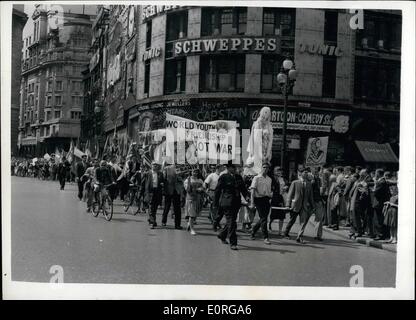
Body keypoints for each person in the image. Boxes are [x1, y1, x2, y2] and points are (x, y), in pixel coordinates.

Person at [214, 162, 248, 250]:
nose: (235, 169)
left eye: (235, 167)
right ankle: (233, 243)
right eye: (233, 167)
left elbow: (243, 189)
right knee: (232, 222)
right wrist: (215, 203)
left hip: (236, 203)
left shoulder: (238, 177)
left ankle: (222, 235)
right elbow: (217, 191)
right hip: (227, 202)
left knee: (231, 221)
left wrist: (247, 197)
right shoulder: (224, 177)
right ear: (228, 168)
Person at [284, 167, 316, 244]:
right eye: (304, 172)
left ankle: (299, 237)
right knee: (292, 220)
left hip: (304, 206)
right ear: (300, 173)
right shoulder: (295, 182)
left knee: (303, 222)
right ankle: (286, 232)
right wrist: (288, 205)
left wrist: (313, 206)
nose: (305, 173)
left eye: (306, 172)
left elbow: (310, 196)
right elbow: (290, 194)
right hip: (295, 205)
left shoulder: (309, 184)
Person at [249, 162, 273, 244]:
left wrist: (270, 196)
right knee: (264, 219)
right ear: (261, 168)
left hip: (266, 199)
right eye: (264, 167)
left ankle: (253, 230)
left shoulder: (269, 179)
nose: (265, 169)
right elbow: (252, 191)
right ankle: (265, 237)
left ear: (269, 169)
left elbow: (269, 191)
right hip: (258, 199)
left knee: (264, 218)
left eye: (267, 167)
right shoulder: (256, 178)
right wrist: (252, 203)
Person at [141, 161, 164, 229]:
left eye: (156, 165)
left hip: (157, 192)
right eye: (153, 165)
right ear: (151, 166)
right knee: (151, 207)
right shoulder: (147, 173)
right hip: (150, 192)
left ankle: (152, 219)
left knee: (155, 207)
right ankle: (152, 222)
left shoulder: (160, 173)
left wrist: (162, 184)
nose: (155, 166)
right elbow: (143, 183)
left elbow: (163, 181)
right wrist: (141, 192)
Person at [162, 164, 185, 229]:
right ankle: (164, 220)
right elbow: (164, 179)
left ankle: (177, 224)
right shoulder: (167, 168)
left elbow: (184, 179)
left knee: (177, 208)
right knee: (167, 206)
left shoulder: (182, 168)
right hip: (169, 190)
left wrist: (181, 179)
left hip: (177, 190)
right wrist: (164, 189)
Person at [371, 169, 391, 240]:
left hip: (379, 203)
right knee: (377, 219)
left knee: (378, 219)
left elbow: (376, 192)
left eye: (376, 173)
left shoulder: (381, 182)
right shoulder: (381, 181)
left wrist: (373, 190)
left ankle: (380, 234)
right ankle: (378, 233)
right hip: (378, 202)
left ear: (378, 174)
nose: (375, 175)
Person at [183, 169, 204, 235]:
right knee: (192, 215)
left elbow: (203, 188)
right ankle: (192, 229)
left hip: (198, 199)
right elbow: (187, 189)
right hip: (191, 199)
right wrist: (196, 189)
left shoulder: (200, 180)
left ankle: (190, 223)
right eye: (193, 172)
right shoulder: (187, 180)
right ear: (191, 172)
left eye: (196, 172)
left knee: (195, 214)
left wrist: (202, 189)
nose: (195, 173)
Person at [269, 166, 288, 236]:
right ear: (274, 172)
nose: (279, 172)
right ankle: (269, 225)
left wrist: (286, 187)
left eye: (280, 170)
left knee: (282, 216)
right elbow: (271, 188)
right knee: (273, 215)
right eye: (277, 170)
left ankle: (280, 231)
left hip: (282, 199)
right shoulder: (272, 179)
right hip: (274, 198)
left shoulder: (284, 179)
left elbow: (287, 186)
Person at [311, 168, 325, 241]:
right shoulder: (312, 181)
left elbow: (321, 191)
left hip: (318, 201)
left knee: (319, 219)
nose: (317, 173)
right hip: (312, 201)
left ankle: (318, 235)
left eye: (317, 172)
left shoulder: (320, 180)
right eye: (315, 172)